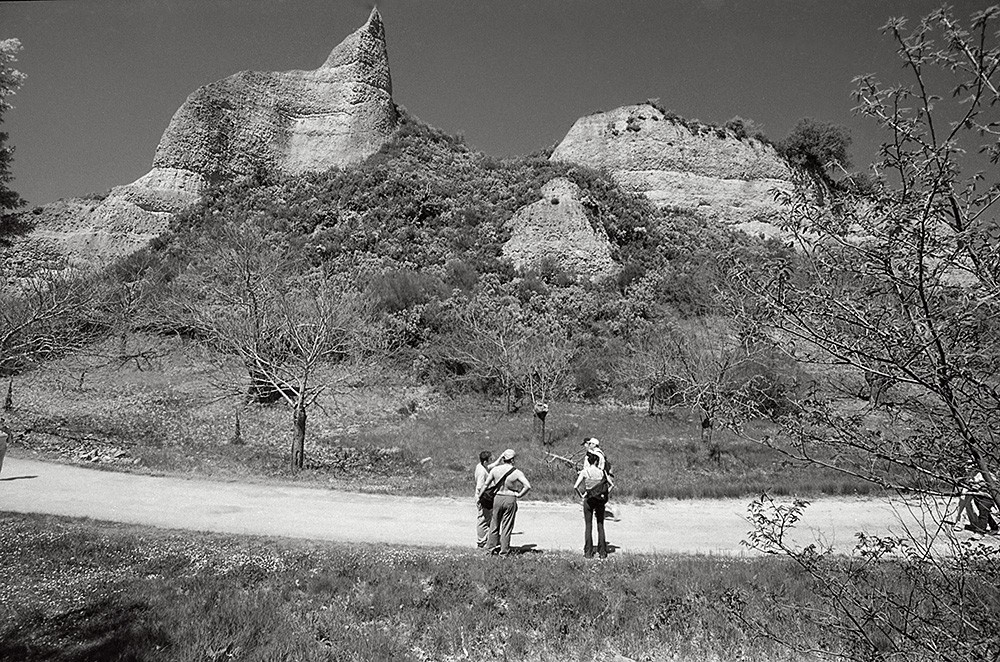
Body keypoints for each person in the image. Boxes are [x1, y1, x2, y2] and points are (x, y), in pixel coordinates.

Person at [484, 448, 531, 555]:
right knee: (507, 526)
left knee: (494, 524)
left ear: (503, 458)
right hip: (510, 497)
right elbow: (527, 486)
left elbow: (486, 483)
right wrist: (519, 494)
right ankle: (504, 551)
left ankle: (490, 548)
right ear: (513, 459)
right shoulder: (517, 472)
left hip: (498, 497)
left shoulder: (495, 470)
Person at [575, 451, 614, 558]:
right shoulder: (602, 472)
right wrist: (605, 493)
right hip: (600, 500)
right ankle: (602, 552)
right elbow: (611, 485)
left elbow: (575, 486)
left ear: (589, 461)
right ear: (596, 461)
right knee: (600, 525)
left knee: (588, 525)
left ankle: (588, 552)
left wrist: (582, 495)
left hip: (589, 499)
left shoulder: (585, 472)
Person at [474, 450, 500, 548]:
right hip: (482, 497)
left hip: (484, 497)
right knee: (483, 520)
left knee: (487, 518)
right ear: (485, 461)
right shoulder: (481, 472)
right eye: (489, 460)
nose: (491, 461)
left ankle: (487, 539)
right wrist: (480, 500)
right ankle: (481, 541)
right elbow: (480, 487)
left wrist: (500, 458)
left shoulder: (481, 466)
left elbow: (491, 466)